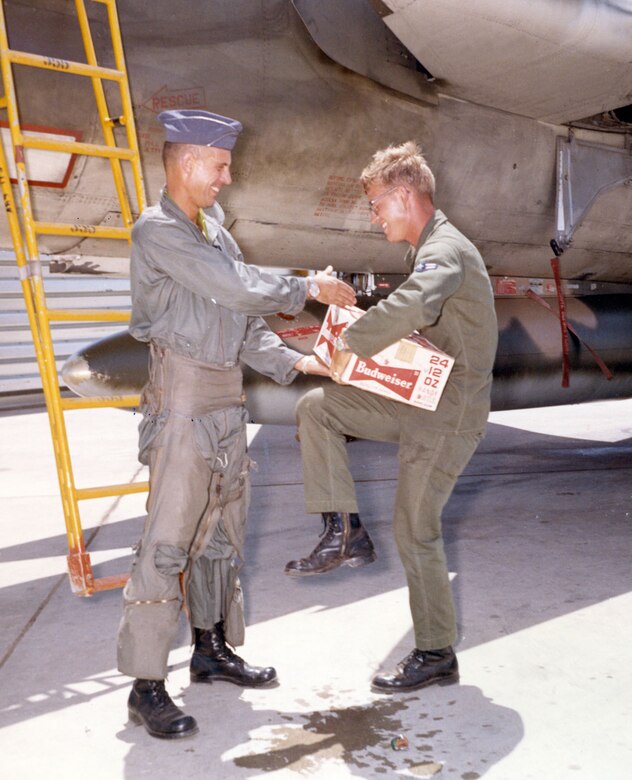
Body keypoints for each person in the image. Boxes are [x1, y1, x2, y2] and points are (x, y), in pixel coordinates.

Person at [117, 108, 354, 740]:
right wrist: (306, 287)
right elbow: (237, 287)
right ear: (189, 162)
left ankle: (210, 649)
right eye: (220, 165)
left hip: (224, 401)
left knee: (222, 534)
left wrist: (302, 361)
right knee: (168, 542)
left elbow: (247, 327)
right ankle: (145, 686)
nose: (227, 177)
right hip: (183, 403)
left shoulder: (215, 234)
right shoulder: (158, 231)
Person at [285, 141, 497, 693]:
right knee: (319, 409)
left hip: (450, 414)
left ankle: (435, 653)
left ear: (405, 195)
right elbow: (416, 315)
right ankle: (344, 531)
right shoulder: (425, 249)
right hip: (421, 399)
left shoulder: (443, 249)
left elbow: (418, 302)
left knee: (415, 529)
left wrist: (350, 340)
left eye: (378, 204)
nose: (374, 216)